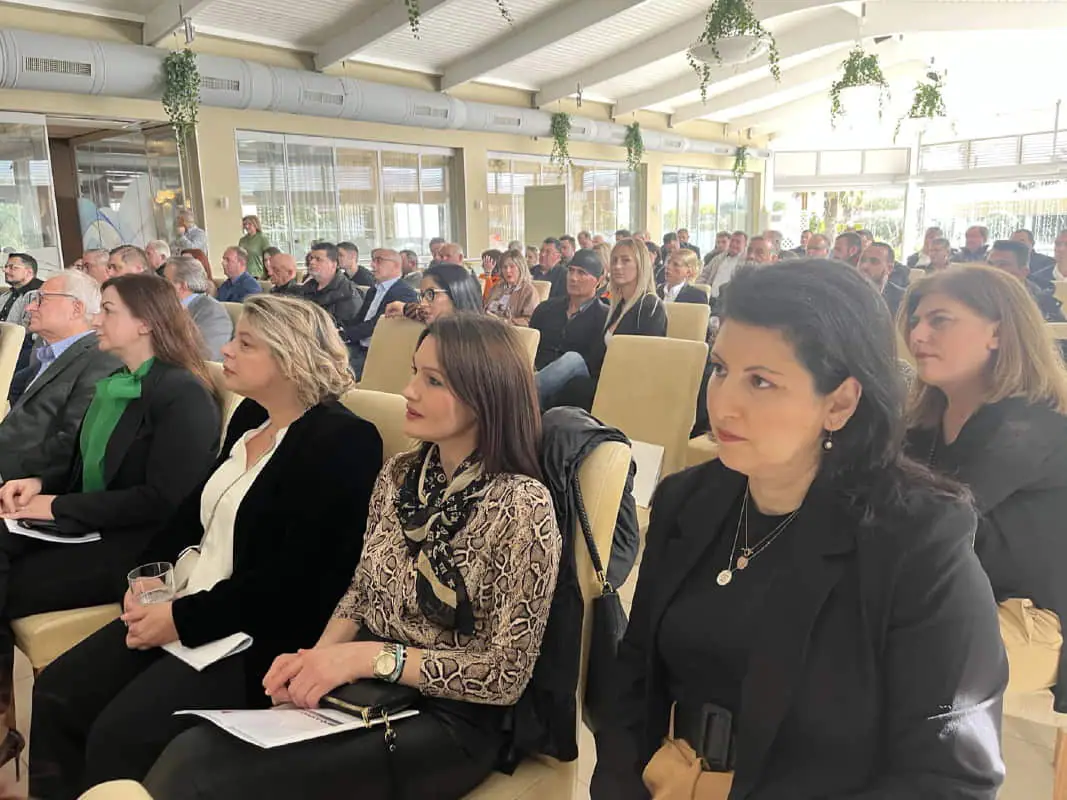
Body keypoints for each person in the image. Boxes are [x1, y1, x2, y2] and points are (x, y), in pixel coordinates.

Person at [592, 259, 1007, 799]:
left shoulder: (917, 540)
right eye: (720, 369)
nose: (723, 403)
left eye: (761, 381)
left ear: (840, 402)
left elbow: (951, 775)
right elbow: (633, 678)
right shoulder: (688, 501)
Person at [141, 314, 561, 800]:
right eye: (414, 372)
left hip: (451, 718)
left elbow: (504, 674)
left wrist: (365, 658)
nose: (408, 390)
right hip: (370, 691)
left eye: (433, 381)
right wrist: (314, 664)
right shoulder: (401, 475)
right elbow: (361, 591)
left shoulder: (521, 504)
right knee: (195, 750)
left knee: (205, 774)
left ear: (485, 396)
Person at [26, 295, 383, 797]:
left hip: (255, 632)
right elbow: (189, 515)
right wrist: (147, 576)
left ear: (291, 358)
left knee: (120, 734)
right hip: (189, 601)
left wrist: (181, 619)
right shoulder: (252, 416)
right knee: (58, 691)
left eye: (245, 343)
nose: (225, 349)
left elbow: (299, 578)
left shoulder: (344, 440)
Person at [0, 274, 221, 775]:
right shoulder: (119, 381)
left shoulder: (181, 394)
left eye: (108, 309)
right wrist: (38, 483)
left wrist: (57, 507)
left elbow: (164, 502)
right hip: (94, 524)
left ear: (145, 322)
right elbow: (86, 462)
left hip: (137, 545)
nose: (97, 319)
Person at [903, 265, 1067, 709]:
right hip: (953, 596)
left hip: (1034, 618)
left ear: (997, 332)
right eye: (915, 321)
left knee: (885, 653)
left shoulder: (1029, 425)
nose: (917, 335)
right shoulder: (925, 423)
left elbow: (927, 521)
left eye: (940, 320)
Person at [0, 270, 119, 477]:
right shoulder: (47, 354)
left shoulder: (101, 360)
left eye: (41, 299)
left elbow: (72, 441)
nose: (29, 307)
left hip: (24, 478)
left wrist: (7, 473)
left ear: (76, 308)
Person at [530, 250, 609, 408]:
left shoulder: (604, 318)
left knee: (572, 359)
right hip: (541, 374)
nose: (573, 278)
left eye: (582, 273)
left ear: (599, 280)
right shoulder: (546, 309)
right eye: (571, 271)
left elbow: (595, 365)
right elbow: (532, 350)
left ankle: (523, 393)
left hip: (576, 384)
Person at [344, 248, 419, 379]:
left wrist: (344, 335)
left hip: (379, 352)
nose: (372, 265)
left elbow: (376, 325)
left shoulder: (404, 292)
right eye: (373, 260)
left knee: (336, 374)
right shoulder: (373, 290)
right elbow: (360, 319)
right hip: (359, 346)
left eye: (378, 261)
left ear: (396, 265)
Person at [163, 255, 234, 361]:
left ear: (183, 286)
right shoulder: (165, 308)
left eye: (166, 282)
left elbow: (206, 357)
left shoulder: (213, 313)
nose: (160, 287)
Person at [987, 239, 1066, 322]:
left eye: (1002, 264)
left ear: (1023, 272)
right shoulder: (979, 298)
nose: (992, 269)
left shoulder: (1044, 305)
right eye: (990, 264)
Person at [385, 261, 484, 326]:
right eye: (422, 296)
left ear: (455, 293)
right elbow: (419, 313)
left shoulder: (482, 339)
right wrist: (404, 307)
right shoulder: (440, 322)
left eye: (430, 294)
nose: (422, 304)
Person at [301, 243, 364, 330]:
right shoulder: (307, 287)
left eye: (318, 259)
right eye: (311, 258)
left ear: (334, 264)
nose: (312, 262)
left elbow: (343, 329)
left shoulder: (347, 293)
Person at [485, 250, 539, 325]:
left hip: (507, 329)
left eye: (512, 266)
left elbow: (529, 320)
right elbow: (485, 308)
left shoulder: (528, 291)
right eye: (504, 267)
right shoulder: (497, 287)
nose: (508, 270)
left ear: (520, 268)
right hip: (488, 325)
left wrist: (506, 322)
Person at [858, 242, 906, 317]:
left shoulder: (902, 299)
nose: (864, 266)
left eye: (874, 262)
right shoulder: (846, 293)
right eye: (862, 260)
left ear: (889, 268)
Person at [699, 231, 747, 300]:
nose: (734, 244)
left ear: (745, 245)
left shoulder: (747, 262)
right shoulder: (718, 258)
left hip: (731, 300)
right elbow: (705, 274)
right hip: (710, 297)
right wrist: (700, 290)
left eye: (738, 242)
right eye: (732, 241)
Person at [1, 254, 43, 325]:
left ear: (29, 272)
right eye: (6, 267)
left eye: (12, 267)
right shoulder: (6, 295)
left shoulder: (42, 295)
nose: (5, 270)